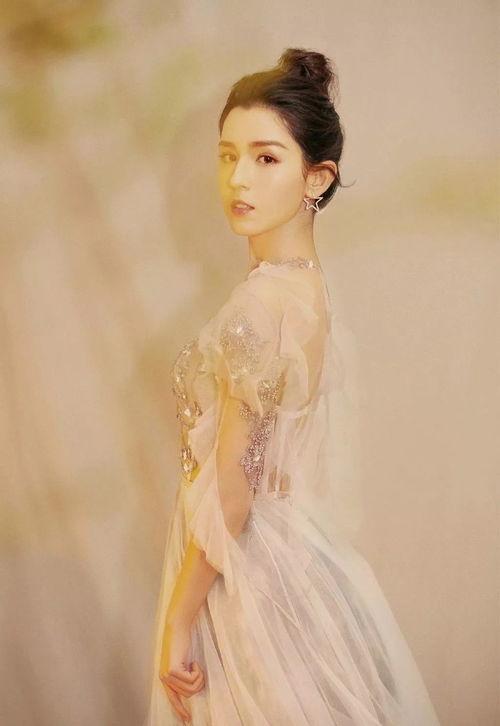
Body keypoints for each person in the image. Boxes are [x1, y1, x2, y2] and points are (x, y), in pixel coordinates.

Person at [144, 48, 441, 725]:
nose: (238, 178)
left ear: (317, 176)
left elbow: (233, 490)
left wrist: (179, 619)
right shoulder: (308, 291)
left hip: (242, 573)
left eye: (266, 158)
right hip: (289, 563)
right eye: (228, 156)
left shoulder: (259, 307)